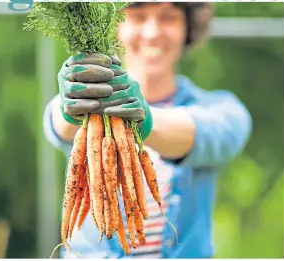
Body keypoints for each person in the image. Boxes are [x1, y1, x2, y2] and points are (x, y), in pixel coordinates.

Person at [43, 2, 252, 259]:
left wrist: (146, 118)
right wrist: (72, 103)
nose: (153, 32)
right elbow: (56, 124)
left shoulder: (221, 109)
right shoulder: (91, 103)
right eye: (138, 17)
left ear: (189, 27)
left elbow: (210, 134)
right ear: (116, 26)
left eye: (168, 18)